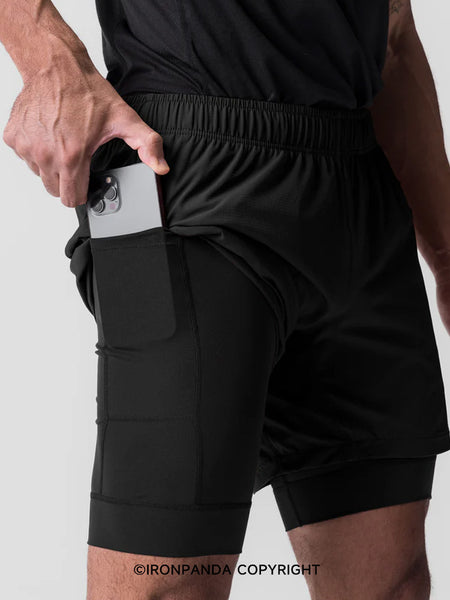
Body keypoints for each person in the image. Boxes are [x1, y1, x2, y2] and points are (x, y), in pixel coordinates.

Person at [1, 0, 450, 598]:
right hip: (181, 167)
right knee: (165, 584)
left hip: (358, 185)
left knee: (394, 585)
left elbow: (392, 27)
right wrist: (49, 59)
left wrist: (446, 255)